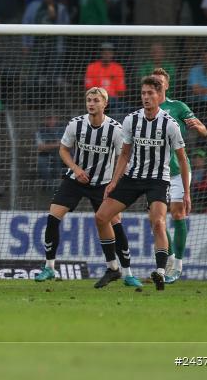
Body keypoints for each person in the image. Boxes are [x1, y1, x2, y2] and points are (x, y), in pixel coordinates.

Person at [33, 88, 140, 288]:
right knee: (53, 216)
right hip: (76, 179)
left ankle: (126, 273)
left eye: (96, 100)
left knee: (115, 223)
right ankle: (49, 267)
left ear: (104, 104)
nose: (91, 103)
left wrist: (114, 182)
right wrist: (75, 168)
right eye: (89, 100)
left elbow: (123, 158)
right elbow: (63, 150)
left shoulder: (115, 130)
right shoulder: (76, 124)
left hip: (103, 184)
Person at [95, 76, 190, 291]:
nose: (146, 97)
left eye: (150, 93)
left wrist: (186, 192)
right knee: (101, 217)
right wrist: (113, 181)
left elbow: (183, 160)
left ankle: (160, 271)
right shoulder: (131, 120)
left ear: (159, 95)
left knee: (158, 222)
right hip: (133, 178)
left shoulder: (170, 124)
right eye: (143, 93)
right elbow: (125, 154)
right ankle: (112, 266)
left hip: (158, 180)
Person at [151, 67, 207, 283]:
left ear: (167, 85)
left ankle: (177, 266)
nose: (156, 84)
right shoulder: (147, 109)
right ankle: (170, 259)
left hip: (177, 171)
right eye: (153, 81)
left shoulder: (178, 107)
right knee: (156, 220)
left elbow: (204, 130)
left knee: (177, 213)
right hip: (155, 173)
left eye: (160, 81)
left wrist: (198, 127)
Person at [84, 42, 126, 117]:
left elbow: (121, 92)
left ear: (113, 54)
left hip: (113, 102)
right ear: (100, 53)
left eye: (109, 52)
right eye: (104, 52)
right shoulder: (92, 67)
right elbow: (88, 89)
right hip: (96, 99)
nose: (107, 54)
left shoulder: (118, 68)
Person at [35, 114, 66, 183]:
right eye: (48, 119)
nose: (50, 121)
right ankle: (47, 184)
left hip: (60, 154)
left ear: (56, 119)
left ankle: (57, 183)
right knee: (41, 161)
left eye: (52, 119)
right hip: (45, 154)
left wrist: (48, 145)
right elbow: (40, 147)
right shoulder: (40, 131)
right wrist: (56, 144)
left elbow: (66, 144)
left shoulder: (62, 130)